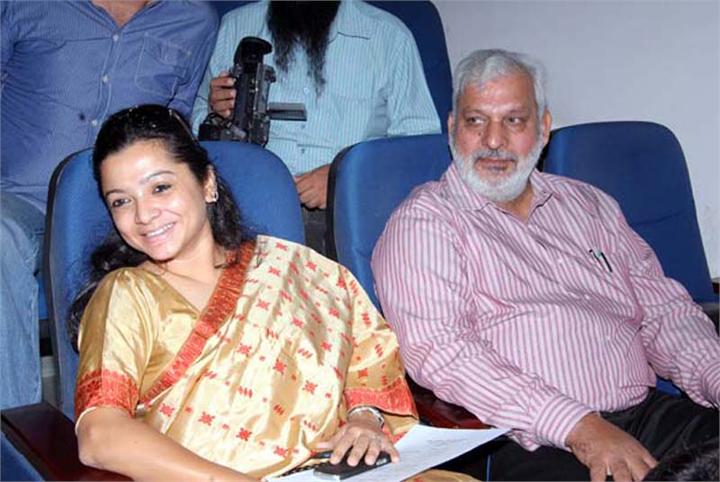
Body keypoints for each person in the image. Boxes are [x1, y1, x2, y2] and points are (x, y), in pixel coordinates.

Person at [71, 105, 473, 481]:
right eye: (121, 201)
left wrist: (365, 419)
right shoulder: (127, 295)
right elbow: (99, 434)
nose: (143, 215)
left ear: (207, 183)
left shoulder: (296, 268)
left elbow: (367, 353)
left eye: (160, 188)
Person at [372, 49, 720, 481]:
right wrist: (579, 427)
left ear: (543, 128)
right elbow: (443, 352)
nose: (493, 140)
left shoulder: (590, 205)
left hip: (646, 414)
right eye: (476, 121)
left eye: (514, 120)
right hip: (529, 439)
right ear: (452, 128)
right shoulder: (426, 222)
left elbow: (665, 313)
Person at [0, 0, 217, 409]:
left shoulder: (193, 19)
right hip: (19, 196)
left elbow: (176, 123)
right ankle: (15, 430)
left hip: (121, 209)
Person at [190, 0, 441, 254]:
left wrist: (345, 178)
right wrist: (215, 110)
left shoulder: (389, 36)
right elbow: (196, 127)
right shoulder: (235, 26)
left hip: (343, 215)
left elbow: (419, 149)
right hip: (247, 205)